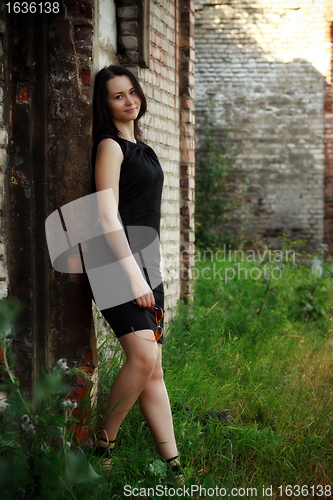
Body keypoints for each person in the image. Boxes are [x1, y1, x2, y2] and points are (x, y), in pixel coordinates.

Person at [85, 65, 180, 475]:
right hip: (112, 260)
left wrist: (148, 271)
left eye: (132, 92)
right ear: (105, 105)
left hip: (146, 260)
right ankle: (100, 447)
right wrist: (134, 276)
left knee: (152, 366)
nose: (129, 100)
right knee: (142, 357)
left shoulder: (144, 148)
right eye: (118, 96)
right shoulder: (110, 146)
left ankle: (173, 464)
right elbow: (107, 218)